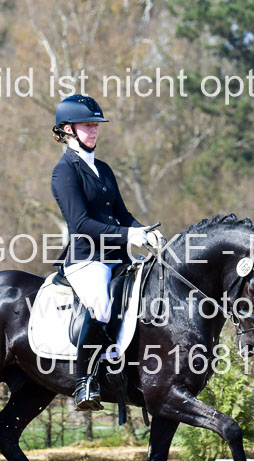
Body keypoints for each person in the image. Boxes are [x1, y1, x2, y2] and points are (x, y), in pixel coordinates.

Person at [50, 94, 163, 411]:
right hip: (88, 259)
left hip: (118, 257)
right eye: (87, 125)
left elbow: (122, 215)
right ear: (68, 129)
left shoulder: (103, 169)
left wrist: (145, 232)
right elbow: (81, 223)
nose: (94, 130)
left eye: (96, 125)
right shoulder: (64, 171)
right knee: (100, 306)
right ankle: (85, 382)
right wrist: (129, 235)